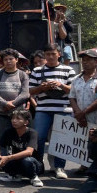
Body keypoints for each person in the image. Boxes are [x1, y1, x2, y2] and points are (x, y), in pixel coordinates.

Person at [28, 43, 76, 179]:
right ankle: (38, 165)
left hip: (64, 108)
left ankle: (59, 167)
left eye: (53, 54)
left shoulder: (68, 70)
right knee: (39, 137)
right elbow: (30, 91)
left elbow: (74, 90)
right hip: (43, 109)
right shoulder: (37, 71)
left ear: (59, 54)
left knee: (62, 139)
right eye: (47, 54)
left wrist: (60, 85)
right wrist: (42, 88)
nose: (50, 56)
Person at [0, 109, 44, 187]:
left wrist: (8, 157)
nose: (14, 120)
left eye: (18, 119)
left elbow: (29, 152)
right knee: (3, 158)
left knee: (27, 160)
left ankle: (34, 177)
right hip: (17, 161)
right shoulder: (9, 131)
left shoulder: (32, 133)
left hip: (34, 164)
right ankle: (14, 176)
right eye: (13, 118)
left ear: (26, 122)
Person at [69, 49, 97, 176]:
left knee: (95, 143)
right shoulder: (76, 79)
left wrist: (83, 113)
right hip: (80, 117)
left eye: (88, 60)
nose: (85, 63)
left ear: (96, 62)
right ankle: (84, 165)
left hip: (96, 118)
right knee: (82, 141)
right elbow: (72, 97)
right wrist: (77, 113)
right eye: (83, 60)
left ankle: (95, 167)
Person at [0, 48, 29, 138]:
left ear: (16, 59)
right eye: (5, 59)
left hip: (18, 114)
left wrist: (12, 104)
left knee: (18, 139)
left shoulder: (23, 75)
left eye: (11, 59)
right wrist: (5, 103)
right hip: (1, 113)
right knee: (3, 139)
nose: (8, 61)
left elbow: (25, 93)